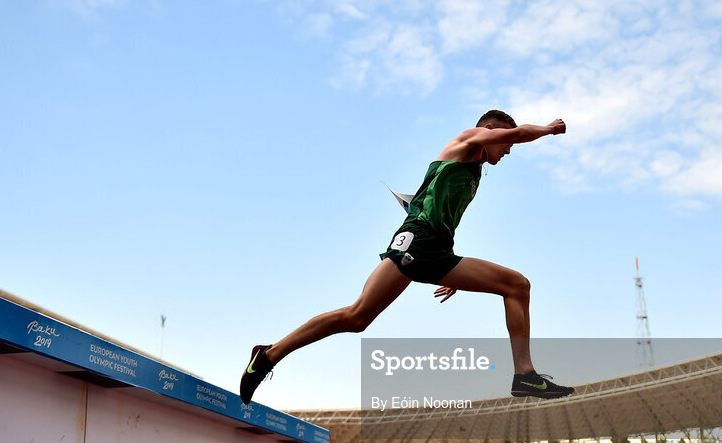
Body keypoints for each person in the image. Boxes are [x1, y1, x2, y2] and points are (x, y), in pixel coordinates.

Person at [241, 110, 575, 404]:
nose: (507, 152)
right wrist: (548, 129)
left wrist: (450, 266)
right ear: (490, 130)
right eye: (506, 146)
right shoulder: (469, 139)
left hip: (429, 246)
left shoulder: (470, 168)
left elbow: (439, 212)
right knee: (517, 285)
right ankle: (524, 374)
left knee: (356, 318)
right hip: (421, 242)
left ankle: (268, 356)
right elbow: (517, 133)